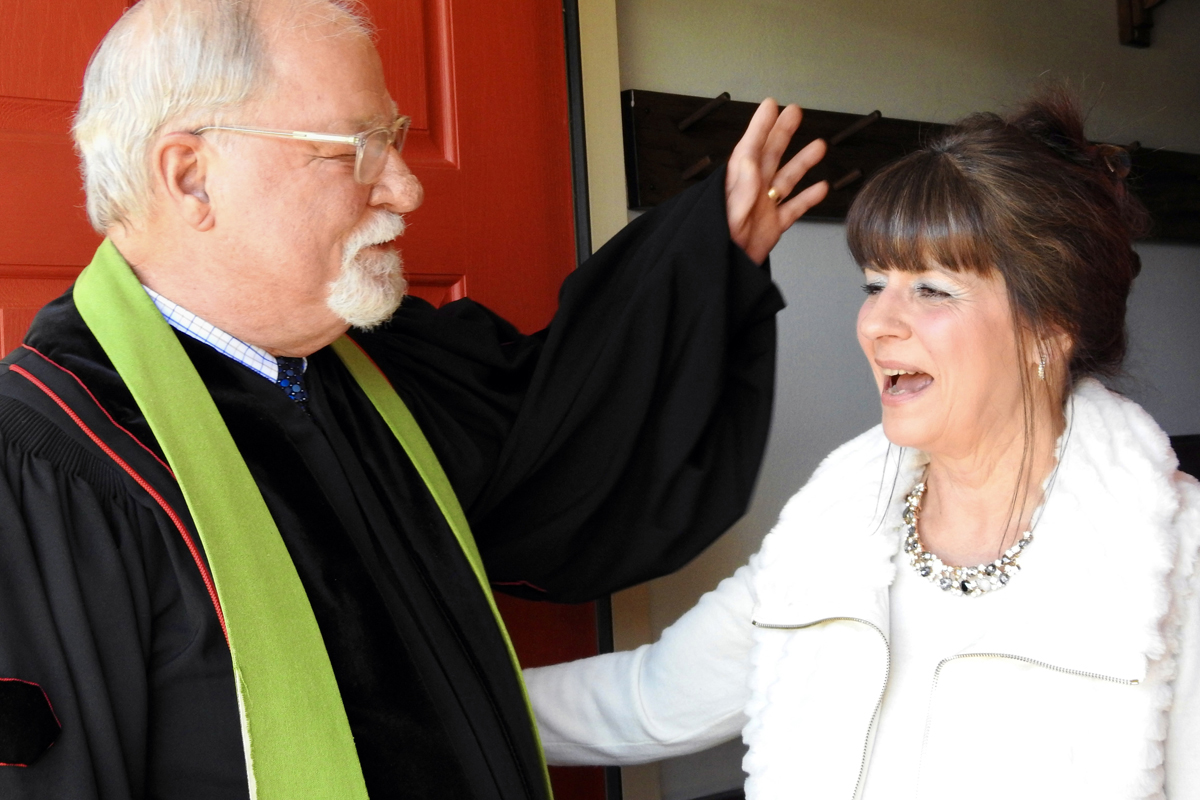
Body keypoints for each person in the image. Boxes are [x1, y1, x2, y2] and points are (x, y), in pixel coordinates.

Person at [0, 0, 832, 797]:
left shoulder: (374, 366)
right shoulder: (53, 467)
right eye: (357, 149)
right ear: (191, 178)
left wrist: (700, 259)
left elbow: (564, 437)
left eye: (393, 140)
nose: (405, 187)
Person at [524, 91, 1200, 799]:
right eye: (876, 283)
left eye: (932, 290)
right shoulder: (830, 528)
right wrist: (421, 701)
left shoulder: (1168, 563)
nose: (876, 322)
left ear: (1048, 329)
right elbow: (648, 701)